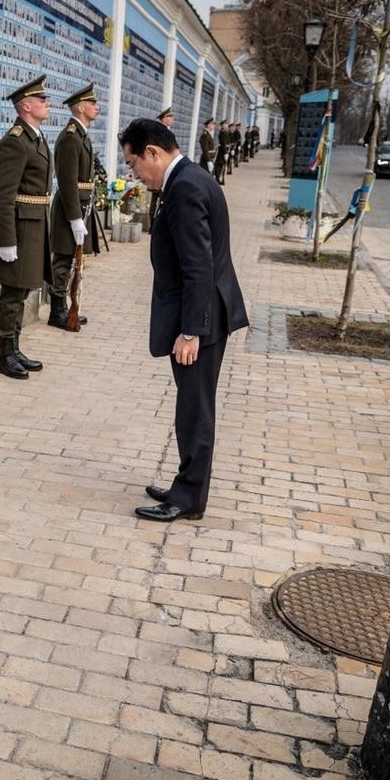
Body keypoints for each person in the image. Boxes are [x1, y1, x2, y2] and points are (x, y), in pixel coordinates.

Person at [120, 118, 248, 523]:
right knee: (193, 406)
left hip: (201, 320)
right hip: (203, 313)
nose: (134, 174)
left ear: (153, 153)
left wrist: (191, 331)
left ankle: (189, 497)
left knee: (194, 411)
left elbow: (199, 267)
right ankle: (186, 482)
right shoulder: (189, 178)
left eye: (133, 164)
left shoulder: (186, 188)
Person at [0, 74, 51, 379]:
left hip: (34, 227)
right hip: (20, 230)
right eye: (41, 99)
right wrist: (6, 241)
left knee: (21, 292)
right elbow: (2, 195)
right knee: (11, 294)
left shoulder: (35, 137)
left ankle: (14, 348)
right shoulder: (15, 142)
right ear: (25, 106)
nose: (47, 103)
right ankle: (4, 355)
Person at [48, 84, 98, 330]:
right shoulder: (70, 136)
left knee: (71, 261)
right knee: (63, 259)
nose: (96, 107)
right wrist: (75, 218)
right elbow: (68, 182)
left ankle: (66, 307)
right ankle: (57, 310)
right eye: (92, 103)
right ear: (81, 107)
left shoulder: (80, 134)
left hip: (80, 206)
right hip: (71, 208)